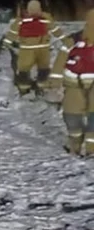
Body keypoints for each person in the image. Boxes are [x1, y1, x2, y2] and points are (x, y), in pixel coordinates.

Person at [48, 8, 94, 156]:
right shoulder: (72, 40)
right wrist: (55, 83)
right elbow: (60, 61)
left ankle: (89, 149)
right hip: (73, 85)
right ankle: (75, 145)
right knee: (72, 117)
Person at [0, 0, 66, 96]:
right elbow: (55, 30)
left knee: (24, 69)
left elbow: (13, 33)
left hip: (26, 49)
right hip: (43, 49)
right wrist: (66, 41)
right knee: (43, 69)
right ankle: (41, 87)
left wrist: (6, 44)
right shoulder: (45, 17)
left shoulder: (21, 20)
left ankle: (24, 89)